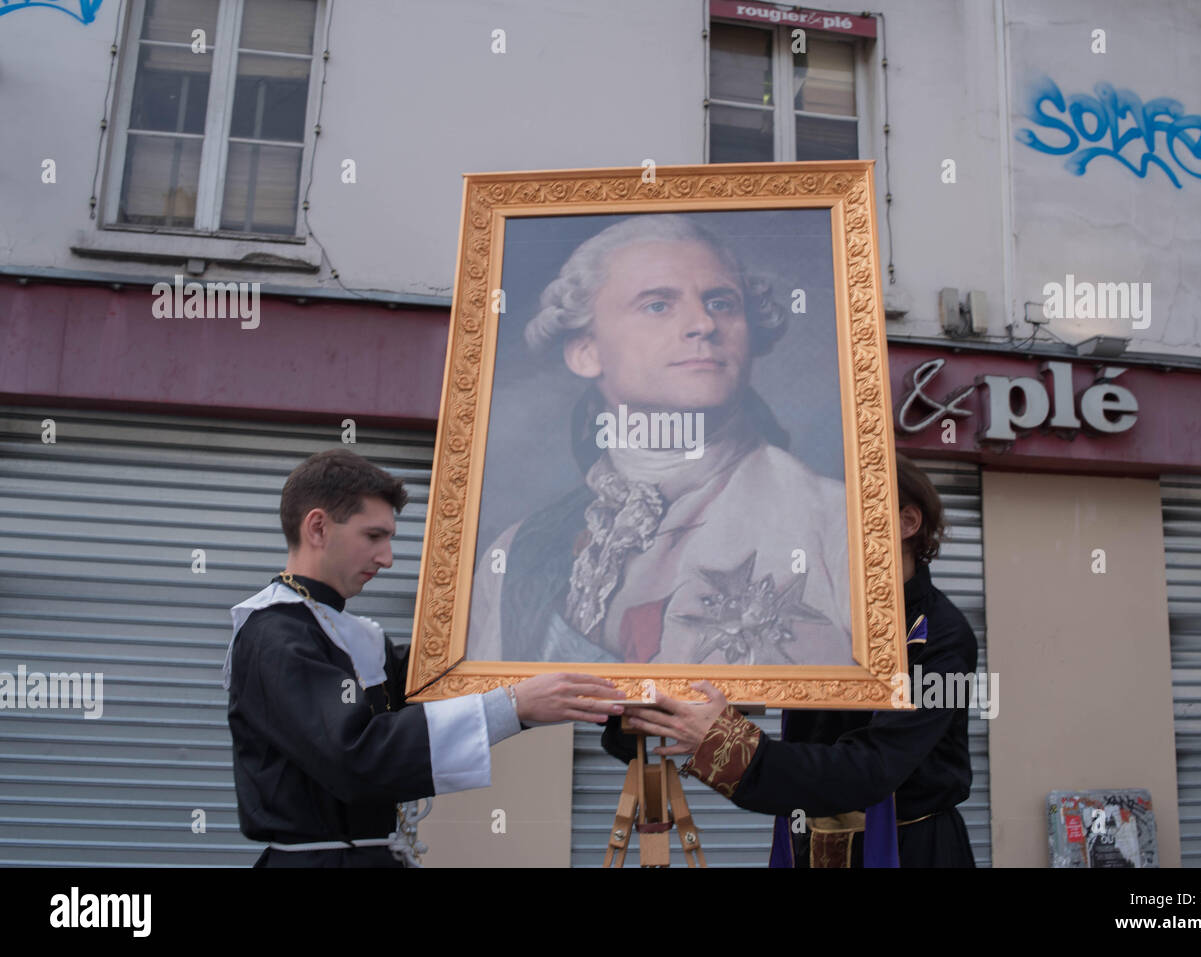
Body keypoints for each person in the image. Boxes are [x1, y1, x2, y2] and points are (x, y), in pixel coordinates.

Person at [468, 214, 853, 667]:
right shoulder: (517, 552)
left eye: (722, 303)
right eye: (657, 305)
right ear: (586, 351)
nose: (703, 324)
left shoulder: (837, 524)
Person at [223, 449, 625, 867]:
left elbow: (448, 684)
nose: (387, 558)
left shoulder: (359, 637)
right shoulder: (274, 634)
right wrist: (514, 705)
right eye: (373, 536)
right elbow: (356, 757)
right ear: (318, 528)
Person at [608, 455, 979, 868]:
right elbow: (712, 679)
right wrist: (637, 701)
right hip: (808, 840)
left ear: (908, 523)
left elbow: (874, 769)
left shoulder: (944, 635)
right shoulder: (805, 605)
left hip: (910, 850)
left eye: (843, 511)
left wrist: (726, 744)